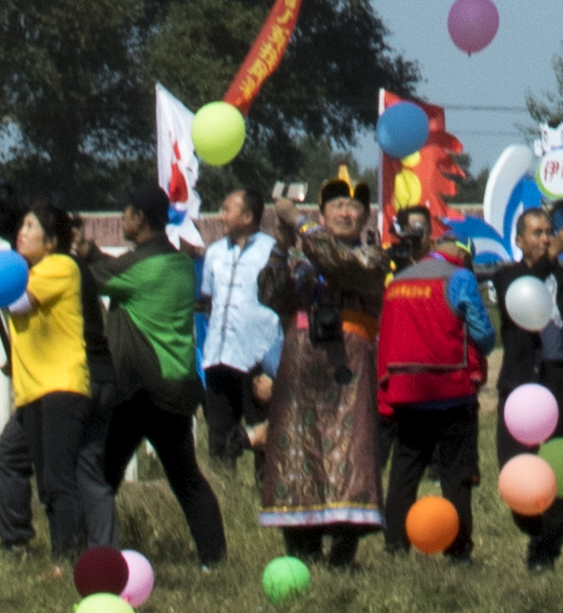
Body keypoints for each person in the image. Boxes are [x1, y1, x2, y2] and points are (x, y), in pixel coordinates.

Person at [249, 178, 388, 550]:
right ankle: (300, 545)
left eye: (354, 207)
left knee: (349, 449)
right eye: (337, 207)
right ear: (323, 214)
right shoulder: (301, 262)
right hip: (301, 367)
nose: (346, 213)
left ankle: (345, 550)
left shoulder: (372, 258)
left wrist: (299, 223)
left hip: (349, 368)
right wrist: (280, 242)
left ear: (365, 217)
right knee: (298, 450)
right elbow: (268, 295)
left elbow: (338, 261)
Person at [94, 202, 228, 561]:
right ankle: (214, 558)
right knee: (187, 479)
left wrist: (80, 252)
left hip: (140, 390)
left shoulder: (140, 266)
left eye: (126, 213)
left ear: (140, 217)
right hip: (176, 387)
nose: (122, 219)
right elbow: (118, 267)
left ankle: (93, 552)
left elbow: (96, 275)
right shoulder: (181, 264)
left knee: (102, 478)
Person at [0, 200, 113, 558]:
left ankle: (70, 554)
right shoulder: (27, 271)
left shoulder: (60, 265)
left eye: (30, 227)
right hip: (34, 390)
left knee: (61, 479)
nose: (21, 233)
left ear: (49, 242)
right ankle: (55, 549)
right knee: (44, 478)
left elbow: (17, 302)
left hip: (63, 386)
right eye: (21, 226)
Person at [374, 204, 490, 555]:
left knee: (404, 471)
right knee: (457, 474)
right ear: (459, 255)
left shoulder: (398, 282)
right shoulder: (459, 278)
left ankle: (395, 546)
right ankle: (458, 550)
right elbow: (483, 334)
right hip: (451, 390)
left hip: (407, 392)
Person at [490, 202, 563, 570]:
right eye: (537, 233)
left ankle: (546, 551)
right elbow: (523, 292)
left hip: (561, 382)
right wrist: (552, 255)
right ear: (519, 241)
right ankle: (531, 524)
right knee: (514, 464)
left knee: (559, 470)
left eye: (549, 232)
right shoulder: (507, 277)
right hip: (521, 387)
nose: (546, 238)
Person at [193, 183, 281, 470]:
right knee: (219, 433)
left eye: (227, 210)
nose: (221, 216)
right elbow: (207, 300)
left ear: (247, 217)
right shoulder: (215, 253)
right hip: (219, 355)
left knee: (264, 432)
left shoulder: (272, 252)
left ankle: (264, 499)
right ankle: (223, 495)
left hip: (256, 357)